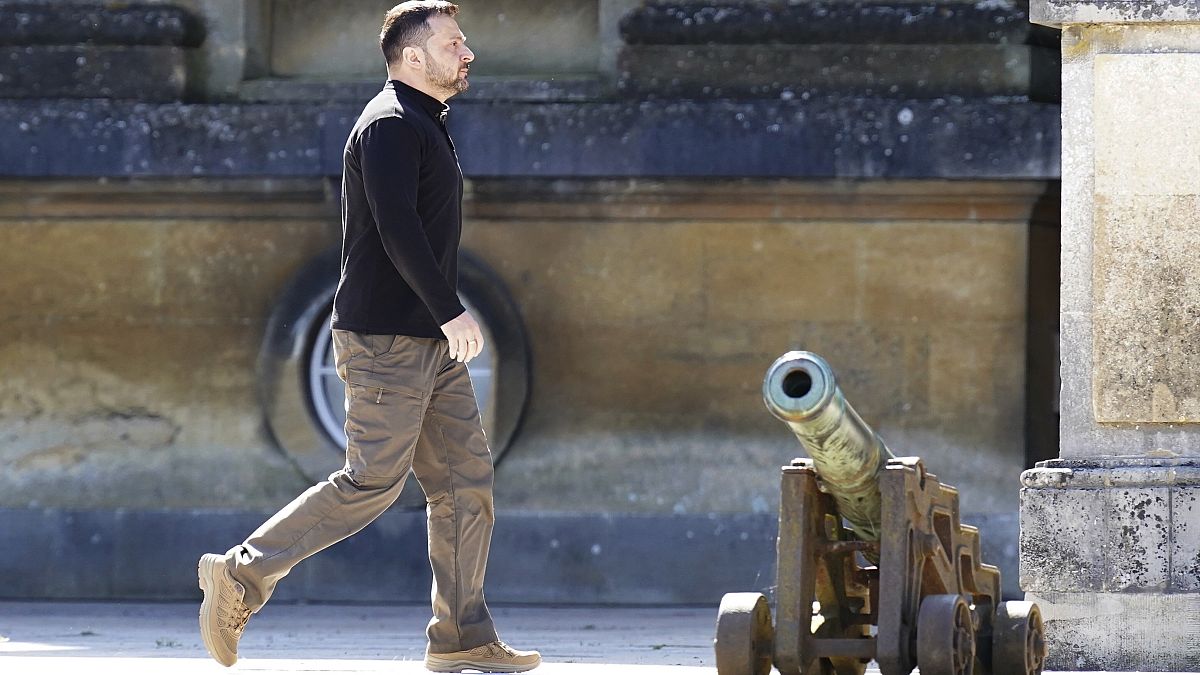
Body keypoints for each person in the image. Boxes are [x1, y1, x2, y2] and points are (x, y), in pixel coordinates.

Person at [196, 2, 541, 672]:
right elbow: (395, 228)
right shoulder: (388, 124)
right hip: (386, 339)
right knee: (372, 481)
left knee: (465, 479)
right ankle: (241, 573)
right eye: (453, 43)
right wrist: (451, 310)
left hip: (426, 344)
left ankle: (461, 634)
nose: (467, 53)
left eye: (463, 41)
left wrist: (441, 322)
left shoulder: (424, 124)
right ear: (414, 57)